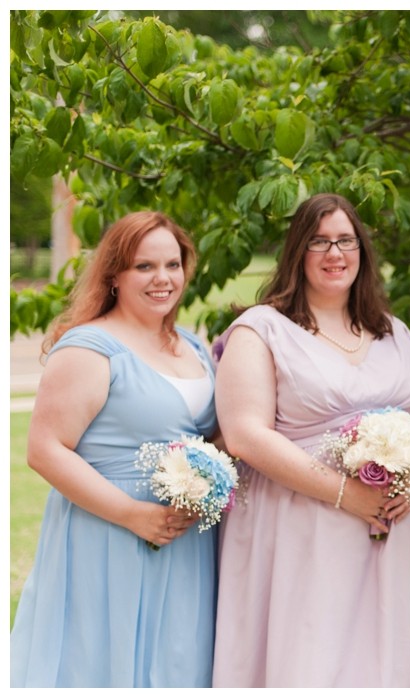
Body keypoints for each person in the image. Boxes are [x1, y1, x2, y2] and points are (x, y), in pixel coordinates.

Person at [210, 193, 410, 687]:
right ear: (297, 252)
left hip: (386, 532)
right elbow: (245, 435)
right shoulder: (262, 330)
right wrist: (345, 494)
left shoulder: (394, 333)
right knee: (307, 654)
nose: (335, 254)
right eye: (319, 242)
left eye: (346, 241)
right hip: (297, 526)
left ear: (363, 251)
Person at [10, 212, 217, 687]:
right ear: (115, 276)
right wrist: (131, 513)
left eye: (173, 264)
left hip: (185, 541)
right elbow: (44, 449)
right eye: (144, 267)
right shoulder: (89, 348)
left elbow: (209, 435)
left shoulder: (191, 345)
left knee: (177, 663)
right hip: (108, 533)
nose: (163, 279)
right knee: (105, 662)